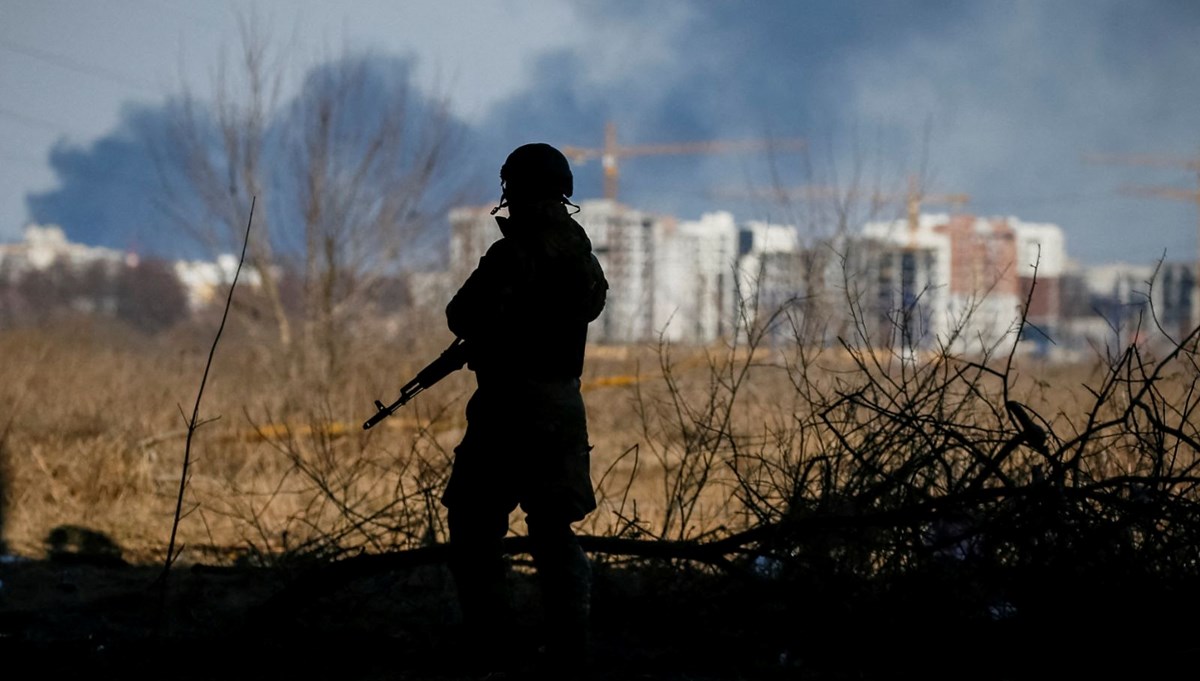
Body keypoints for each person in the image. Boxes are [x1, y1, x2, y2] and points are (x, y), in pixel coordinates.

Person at [441, 142, 608, 678]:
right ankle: (568, 651)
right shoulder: (581, 252)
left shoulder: (515, 253)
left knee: (473, 523)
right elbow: (588, 304)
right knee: (554, 532)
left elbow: (460, 314)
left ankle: (493, 647)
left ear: (515, 189)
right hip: (562, 406)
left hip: (510, 405)